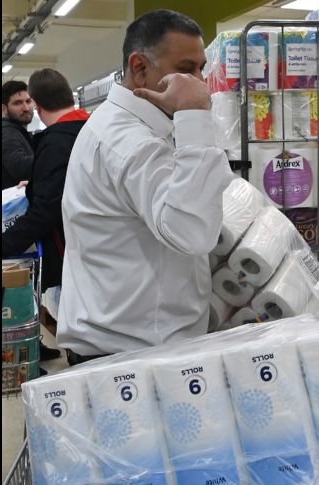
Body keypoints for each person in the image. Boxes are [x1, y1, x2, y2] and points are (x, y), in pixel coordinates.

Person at [57, 9, 232, 365]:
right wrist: (195, 114)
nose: (201, 84)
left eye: (202, 69)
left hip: (135, 348)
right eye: (186, 69)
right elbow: (192, 231)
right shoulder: (130, 142)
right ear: (139, 68)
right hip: (131, 358)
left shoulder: (137, 129)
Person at [3, 69, 88, 363]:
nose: (25, 107)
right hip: (108, 254)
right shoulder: (94, 128)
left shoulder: (56, 141)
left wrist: (7, 242)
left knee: (84, 338)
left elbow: (46, 210)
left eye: (28, 101)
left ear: (37, 104)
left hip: (75, 256)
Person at [2, 80, 34, 189]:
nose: (26, 108)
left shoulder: (18, 131)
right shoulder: (7, 132)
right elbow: (20, 168)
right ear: (4, 108)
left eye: (28, 101)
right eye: (17, 103)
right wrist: (52, 154)